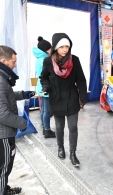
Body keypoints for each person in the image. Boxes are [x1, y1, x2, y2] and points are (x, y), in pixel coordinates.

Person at [0, 45, 35, 195]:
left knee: (4, 166)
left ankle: (3, 188)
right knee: (2, 168)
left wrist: (23, 94)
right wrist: (23, 123)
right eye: (13, 62)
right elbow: (2, 114)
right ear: (3, 61)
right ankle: (1, 192)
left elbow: (5, 96)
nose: (15, 65)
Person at [40, 33, 87, 167]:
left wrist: (83, 96)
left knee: (73, 127)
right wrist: (46, 86)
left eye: (67, 46)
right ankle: (60, 147)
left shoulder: (75, 60)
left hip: (72, 97)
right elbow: (44, 77)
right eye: (62, 47)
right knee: (59, 127)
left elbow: (81, 79)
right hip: (56, 98)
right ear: (55, 47)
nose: (65, 49)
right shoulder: (48, 61)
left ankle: (73, 153)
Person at [33, 36, 56, 138]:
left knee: (43, 109)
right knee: (47, 110)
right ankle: (47, 130)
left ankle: (44, 126)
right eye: (50, 48)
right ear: (46, 50)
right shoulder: (45, 60)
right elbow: (48, 75)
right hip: (46, 87)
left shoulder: (39, 59)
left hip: (40, 86)